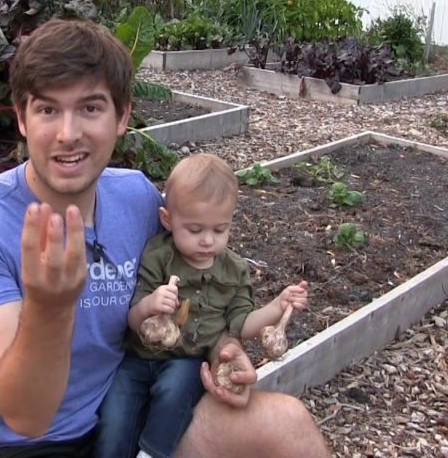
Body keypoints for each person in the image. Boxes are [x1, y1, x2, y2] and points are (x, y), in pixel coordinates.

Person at [0, 18, 331, 458]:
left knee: (288, 427)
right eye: (48, 110)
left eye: (90, 108)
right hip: (17, 447)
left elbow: (198, 289)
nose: (68, 133)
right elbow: (26, 416)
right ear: (22, 118)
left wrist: (223, 353)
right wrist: (49, 306)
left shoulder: (137, 197)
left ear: (122, 117)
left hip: (119, 413)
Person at [95, 153, 310, 458]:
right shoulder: (159, 256)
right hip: (139, 356)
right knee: (115, 412)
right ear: (167, 220)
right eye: (195, 230)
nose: (208, 241)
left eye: (219, 230)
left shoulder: (234, 270)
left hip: (188, 360)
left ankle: (153, 453)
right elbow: (133, 319)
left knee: (175, 393)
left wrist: (277, 306)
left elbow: (241, 324)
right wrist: (151, 306)